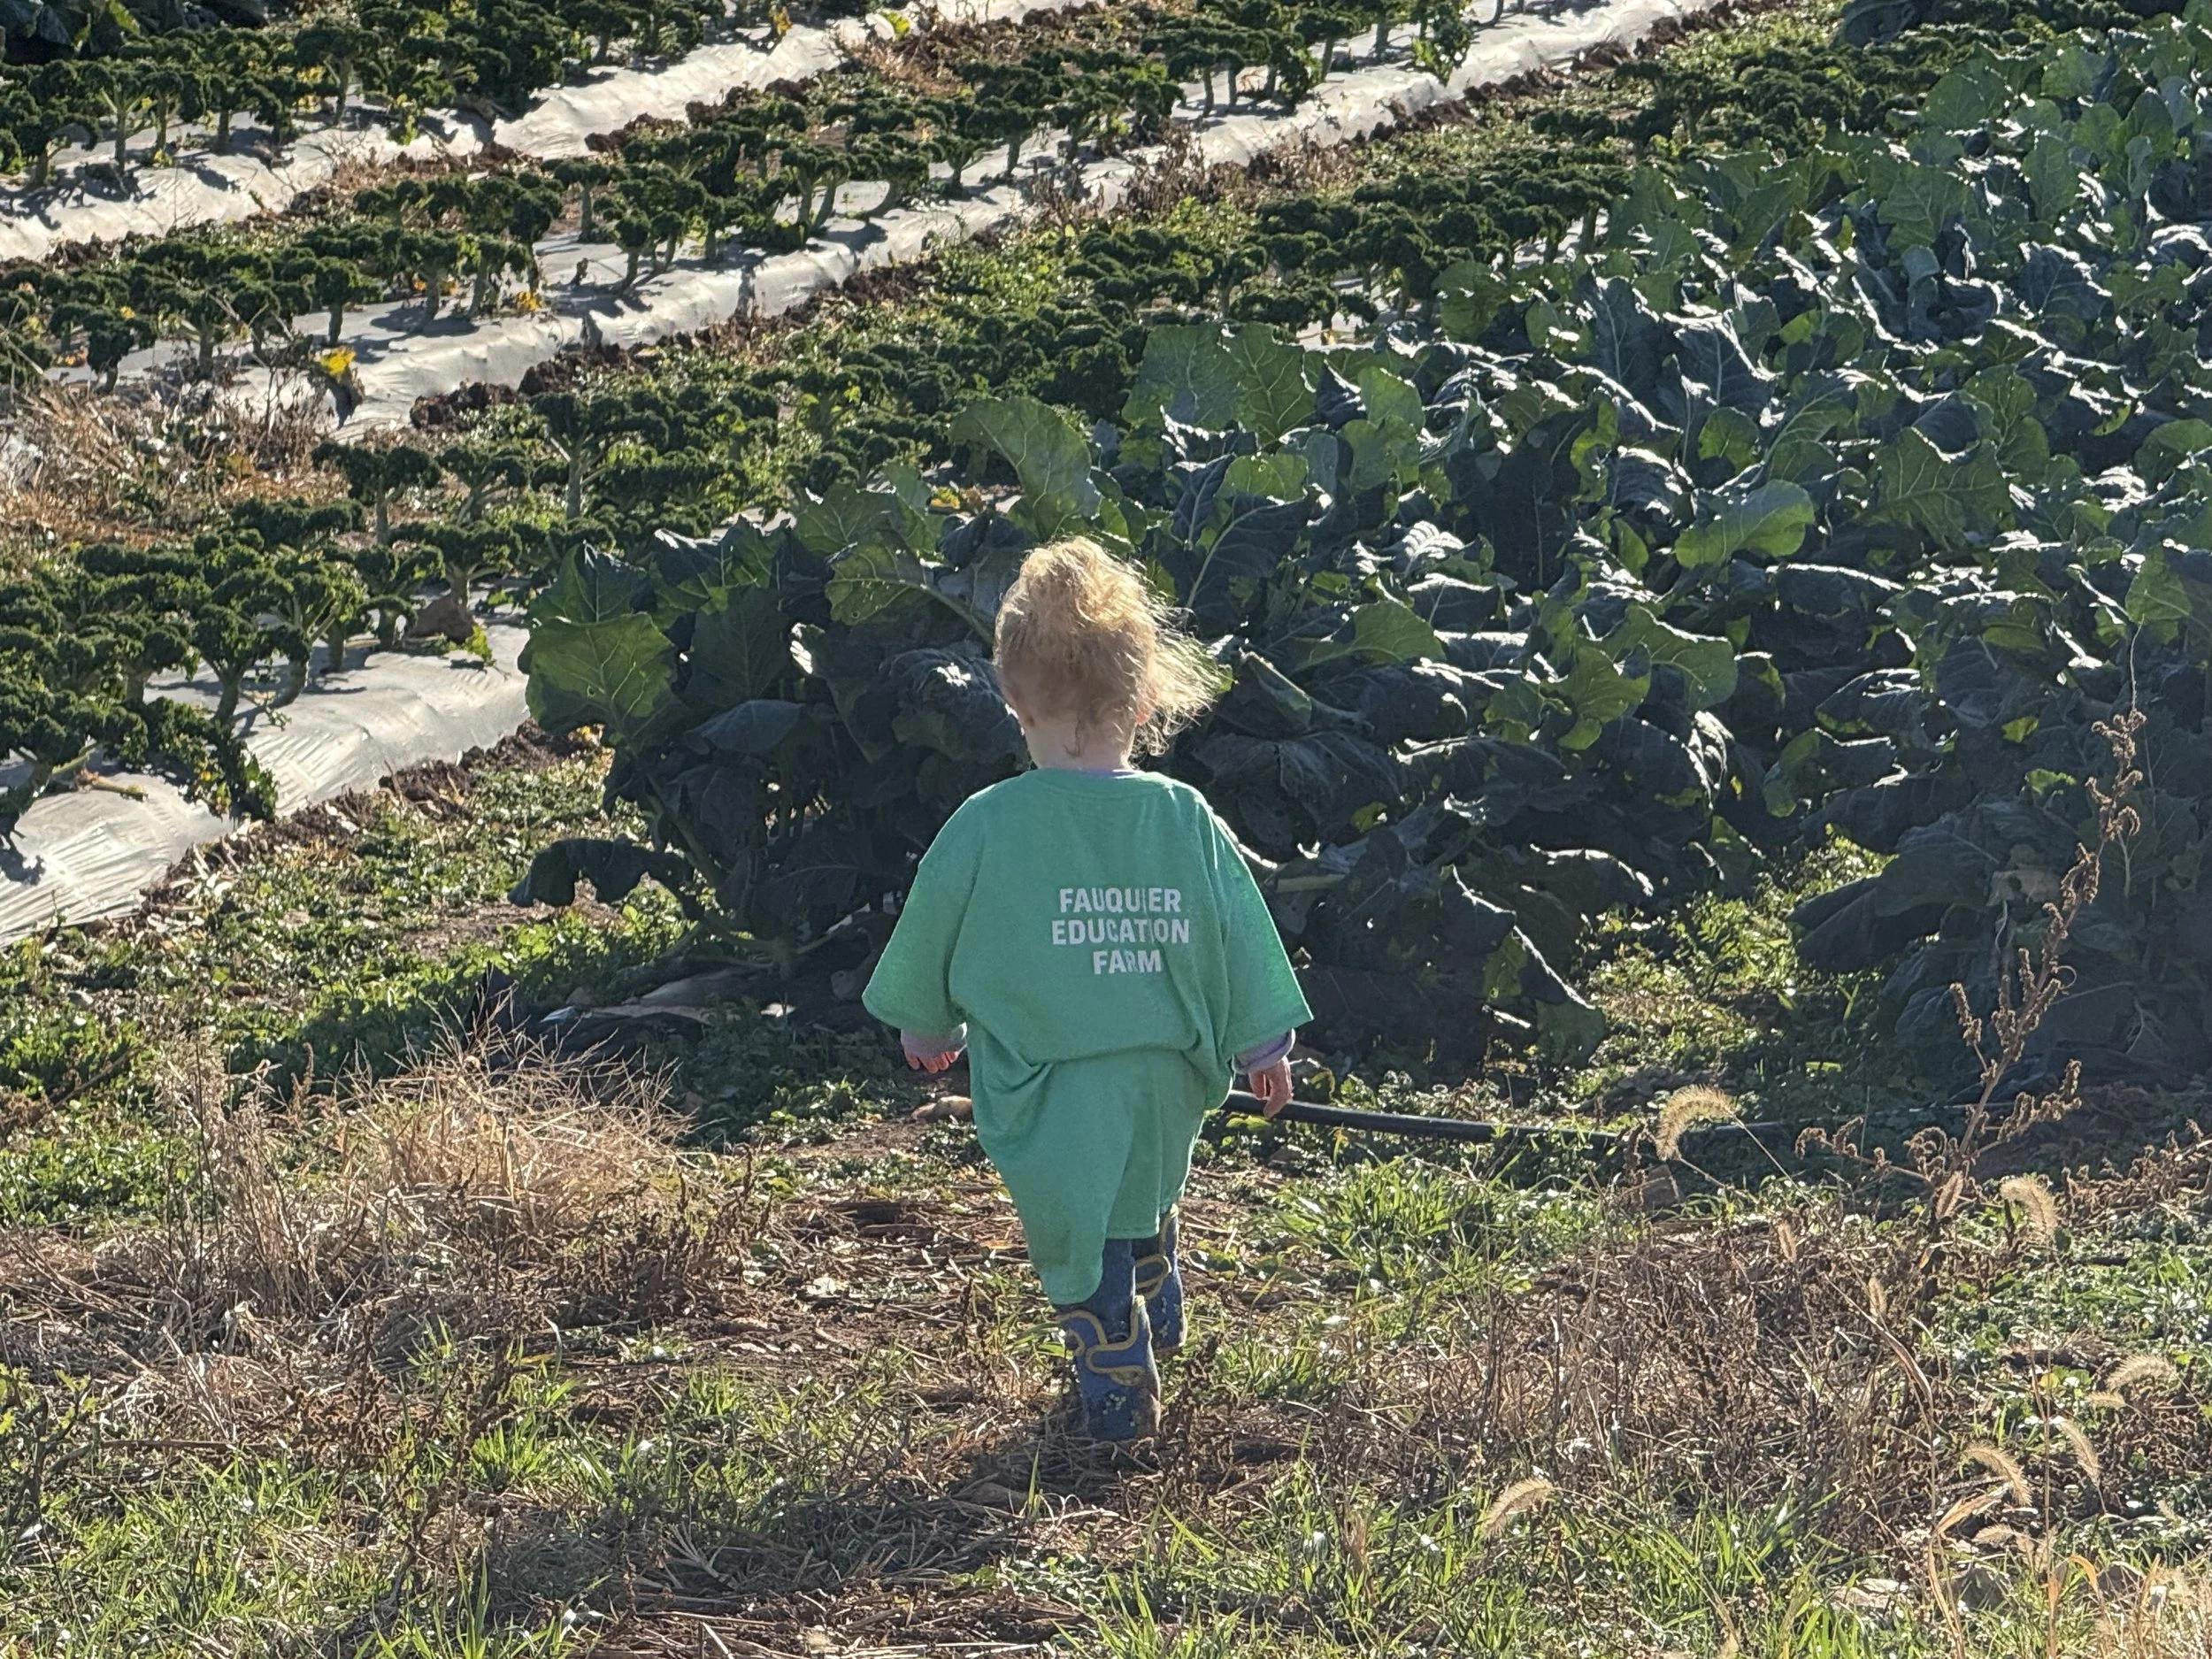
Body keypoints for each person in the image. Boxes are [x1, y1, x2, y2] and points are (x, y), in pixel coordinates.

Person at [862, 537, 1310, 1443]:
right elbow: (1238, 931)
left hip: (1056, 1076)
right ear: (1144, 700)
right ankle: (1156, 1283)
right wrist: (1262, 1042)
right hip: (1168, 1072)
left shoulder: (987, 825)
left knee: (1077, 1222)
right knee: (1139, 1184)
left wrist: (924, 1022)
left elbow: (932, 929)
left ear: (1011, 697)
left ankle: (1114, 1369)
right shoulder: (1184, 817)